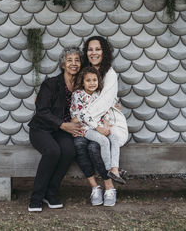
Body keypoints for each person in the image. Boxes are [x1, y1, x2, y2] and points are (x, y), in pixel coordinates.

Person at [73, 36, 128, 207]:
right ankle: (95, 187)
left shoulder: (109, 73)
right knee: (80, 145)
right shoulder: (83, 71)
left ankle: (109, 186)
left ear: (103, 51)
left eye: (97, 49)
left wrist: (98, 121)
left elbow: (105, 102)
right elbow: (77, 97)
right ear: (86, 52)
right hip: (86, 124)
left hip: (106, 121)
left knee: (94, 146)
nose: (94, 52)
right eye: (90, 49)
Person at [28, 46, 82, 212]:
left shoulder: (81, 85)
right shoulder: (51, 84)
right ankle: (36, 196)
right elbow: (42, 111)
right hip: (41, 129)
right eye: (69, 60)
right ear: (63, 64)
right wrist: (63, 124)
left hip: (61, 131)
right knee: (52, 151)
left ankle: (51, 193)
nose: (74, 63)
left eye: (77, 60)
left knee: (69, 151)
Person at [70, 66, 127, 183]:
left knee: (114, 137)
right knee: (104, 141)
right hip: (85, 128)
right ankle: (108, 169)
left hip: (100, 126)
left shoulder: (98, 94)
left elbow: (104, 109)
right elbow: (83, 115)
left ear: (99, 81)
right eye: (88, 80)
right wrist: (98, 128)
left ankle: (115, 168)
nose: (92, 83)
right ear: (83, 82)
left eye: (94, 80)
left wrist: (106, 123)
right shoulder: (78, 95)